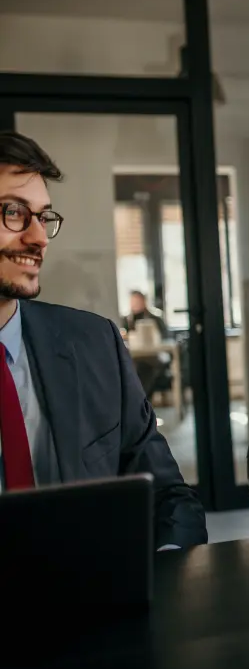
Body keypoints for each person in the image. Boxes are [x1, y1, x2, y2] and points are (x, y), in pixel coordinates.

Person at [0, 131, 205, 549]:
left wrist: (163, 561)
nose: (39, 238)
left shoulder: (94, 344)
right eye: (13, 212)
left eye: (43, 216)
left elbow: (168, 496)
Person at [122, 290, 170, 394]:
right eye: (133, 301)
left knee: (146, 368)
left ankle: (142, 396)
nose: (135, 304)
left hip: (154, 354)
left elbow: (164, 337)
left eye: (137, 301)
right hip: (134, 355)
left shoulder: (155, 319)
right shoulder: (126, 320)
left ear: (144, 301)